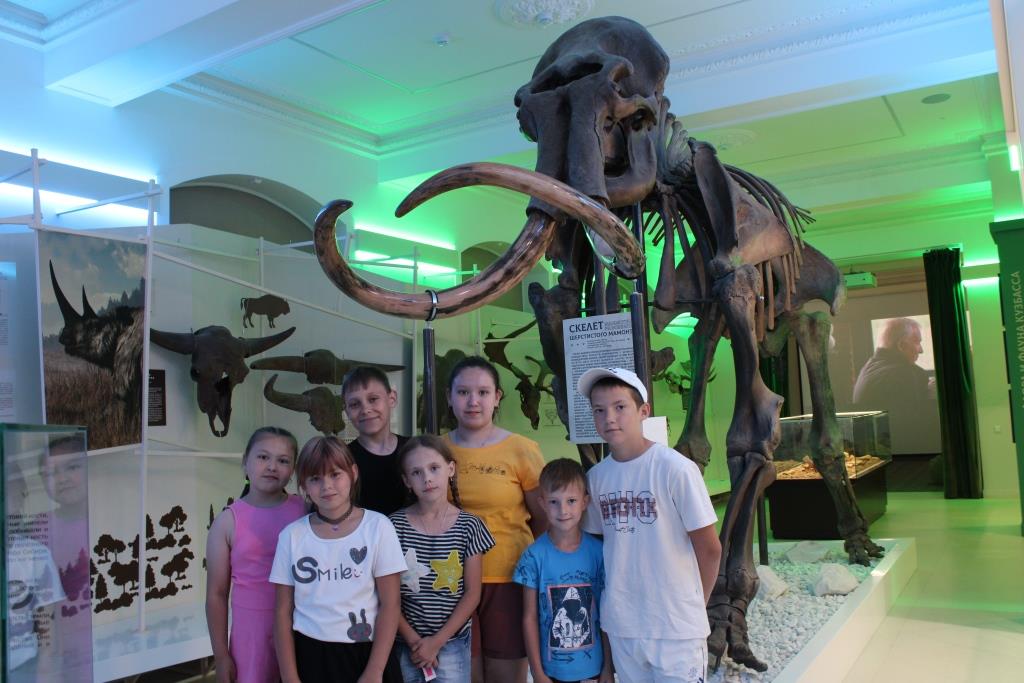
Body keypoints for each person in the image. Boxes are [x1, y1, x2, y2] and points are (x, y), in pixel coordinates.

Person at [578, 368, 721, 683]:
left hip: (676, 629)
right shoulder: (597, 478)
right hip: (624, 626)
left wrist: (695, 607)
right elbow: (600, 547)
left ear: (644, 411)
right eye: (599, 410)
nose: (609, 418)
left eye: (620, 407)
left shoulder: (676, 469)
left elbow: (710, 548)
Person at [443, 355, 547, 683]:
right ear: (449, 397)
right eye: (463, 392)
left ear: (497, 397)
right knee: (464, 675)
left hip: (509, 579)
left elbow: (543, 519)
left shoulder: (522, 449)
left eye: (483, 392)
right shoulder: (437, 451)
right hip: (450, 582)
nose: (473, 401)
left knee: (506, 675)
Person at [271, 436, 406, 683]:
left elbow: (390, 604)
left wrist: (375, 671)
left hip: (367, 654)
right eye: (315, 478)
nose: (327, 486)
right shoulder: (292, 536)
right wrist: (289, 677)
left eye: (335, 474)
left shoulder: (378, 527)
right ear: (303, 484)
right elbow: (282, 611)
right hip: (309, 656)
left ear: (353, 473)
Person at [390, 435, 495, 682]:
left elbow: (472, 593)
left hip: (452, 642)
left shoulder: (470, 526)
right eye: (416, 472)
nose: (427, 478)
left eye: (434, 468)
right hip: (406, 643)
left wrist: (436, 642)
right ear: (406, 481)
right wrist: (415, 642)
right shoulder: (392, 526)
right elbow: (387, 595)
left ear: (450, 469)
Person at [206, 427, 306, 683]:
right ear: (245, 462)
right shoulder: (228, 521)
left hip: (302, 625)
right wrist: (221, 656)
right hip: (251, 634)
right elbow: (216, 594)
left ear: (293, 470)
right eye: (263, 457)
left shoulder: (305, 511)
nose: (272, 466)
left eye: (283, 460)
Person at [514, 458, 612, 683]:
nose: (563, 510)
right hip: (551, 673)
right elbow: (529, 617)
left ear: (585, 502)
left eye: (571, 501)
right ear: (541, 503)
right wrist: (537, 673)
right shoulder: (533, 556)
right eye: (554, 502)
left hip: (594, 670)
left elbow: (606, 613)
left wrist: (608, 667)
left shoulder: (599, 553)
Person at [852, 317, 939, 452]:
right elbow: (919, 431)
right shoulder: (904, 373)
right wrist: (933, 396)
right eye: (917, 342)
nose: (921, 350)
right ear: (902, 346)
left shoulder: (869, 366)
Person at [343, 366, 409, 516]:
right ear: (347, 411)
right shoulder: (342, 459)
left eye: (373, 399)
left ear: (391, 399)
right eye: (355, 404)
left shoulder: (414, 450)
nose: (365, 409)